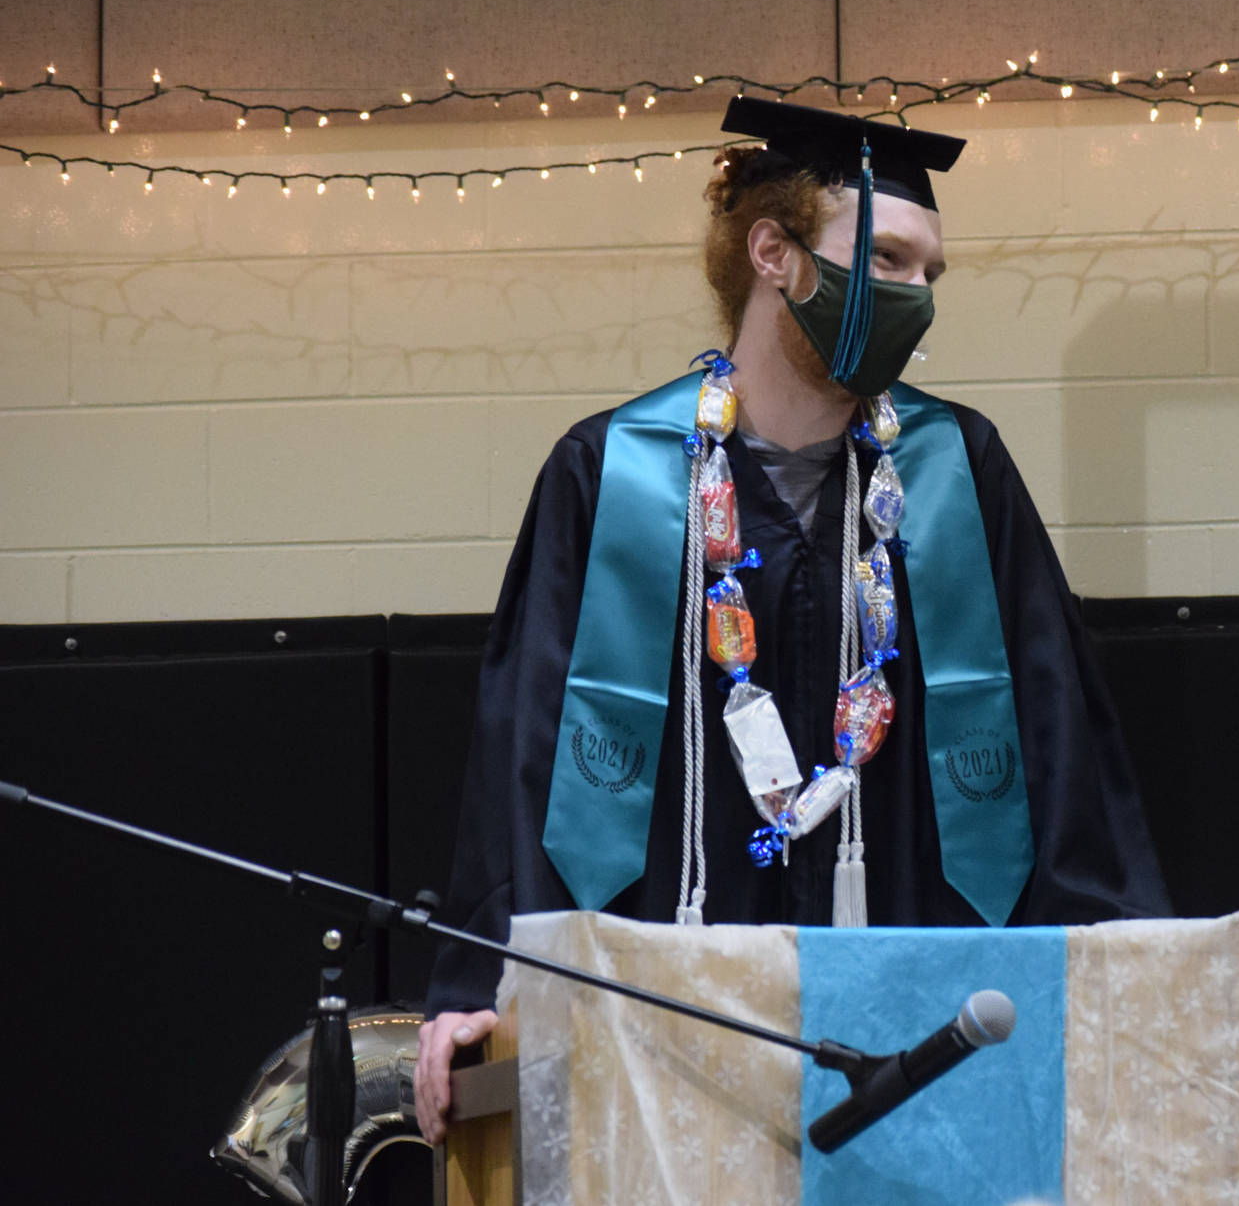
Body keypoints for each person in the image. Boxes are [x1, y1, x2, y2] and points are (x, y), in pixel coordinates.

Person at [415, 98, 1171, 1142]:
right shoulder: (616, 472)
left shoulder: (958, 472)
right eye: (891, 262)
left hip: (918, 1019)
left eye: (929, 275)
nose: (914, 297)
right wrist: (475, 981)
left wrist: (1120, 973)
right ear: (773, 252)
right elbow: (523, 755)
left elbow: (1058, 743)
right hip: (669, 1019)